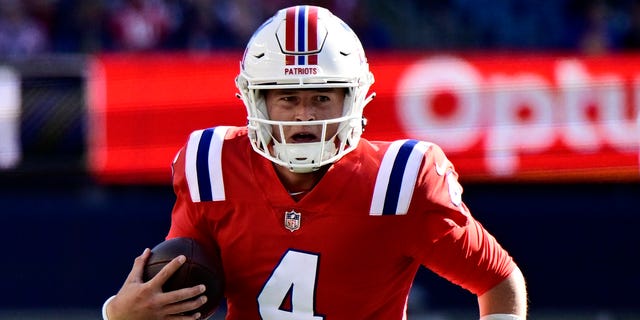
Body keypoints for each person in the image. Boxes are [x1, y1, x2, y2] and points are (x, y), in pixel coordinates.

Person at [102, 5, 527, 320]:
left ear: (354, 98)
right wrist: (119, 314)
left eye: (322, 97)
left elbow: (498, 279)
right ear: (256, 100)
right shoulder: (213, 169)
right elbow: (181, 290)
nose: (305, 115)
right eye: (288, 98)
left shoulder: (398, 181)